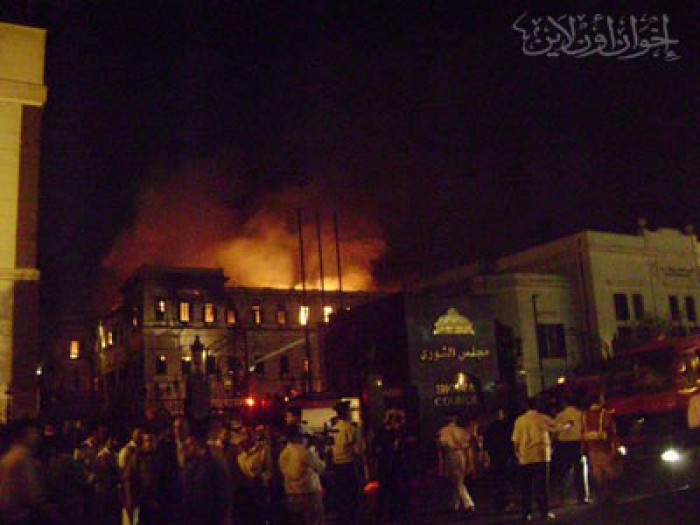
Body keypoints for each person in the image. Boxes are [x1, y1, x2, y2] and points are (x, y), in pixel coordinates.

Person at [511, 398, 557, 522]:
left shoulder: (519, 420)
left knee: (526, 487)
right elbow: (557, 427)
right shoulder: (543, 418)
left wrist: (517, 455)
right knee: (542, 486)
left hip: (525, 456)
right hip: (541, 455)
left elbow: (515, 440)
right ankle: (544, 511)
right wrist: (569, 425)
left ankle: (527, 513)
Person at [0, 419, 51, 525]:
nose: (36, 436)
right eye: (33, 433)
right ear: (24, 435)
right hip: (18, 516)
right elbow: (32, 494)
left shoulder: (10, 455)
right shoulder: (22, 457)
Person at [373, 408, 412, 524]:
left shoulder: (395, 432)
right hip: (389, 465)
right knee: (388, 491)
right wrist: (392, 447)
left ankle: (392, 514)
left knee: (393, 491)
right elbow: (379, 448)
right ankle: (388, 514)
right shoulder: (386, 433)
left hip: (392, 465)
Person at [278, 429, 326, 525]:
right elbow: (320, 467)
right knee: (314, 520)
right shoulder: (304, 453)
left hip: (291, 493)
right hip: (308, 493)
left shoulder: (283, 453)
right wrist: (320, 453)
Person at [329, 400, 365, 525]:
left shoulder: (333, 430)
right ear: (346, 412)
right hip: (349, 466)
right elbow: (358, 450)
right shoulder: (351, 429)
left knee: (340, 496)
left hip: (336, 467)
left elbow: (329, 450)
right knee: (352, 497)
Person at [581, 393, 618, 504]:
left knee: (597, 473)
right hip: (604, 447)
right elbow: (611, 431)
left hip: (591, 448)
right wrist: (614, 446)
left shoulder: (585, 415)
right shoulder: (605, 414)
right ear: (599, 401)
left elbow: (582, 432)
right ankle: (609, 496)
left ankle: (600, 496)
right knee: (608, 472)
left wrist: (584, 448)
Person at [437, 414, 475, 514]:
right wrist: (470, 462)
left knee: (457, 480)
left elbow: (440, 449)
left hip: (450, 455)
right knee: (459, 478)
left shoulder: (442, 431)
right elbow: (467, 448)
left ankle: (468, 503)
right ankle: (454, 504)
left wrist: (441, 464)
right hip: (461, 454)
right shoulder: (461, 431)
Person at [553, 395, 588, 504]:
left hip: (563, 444)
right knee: (579, 471)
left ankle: (562, 497)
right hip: (577, 443)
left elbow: (555, 431)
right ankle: (581, 497)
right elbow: (584, 430)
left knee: (563, 471)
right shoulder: (581, 414)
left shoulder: (560, 415)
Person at [483, 407, 514, 513]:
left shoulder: (490, 427)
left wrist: (486, 455)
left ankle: (498, 502)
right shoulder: (506, 426)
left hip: (495, 455)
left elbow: (486, 443)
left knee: (497, 480)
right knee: (505, 479)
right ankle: (505, 501)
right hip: (504, 455)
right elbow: (511, 441)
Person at [118, 427, 142, 525]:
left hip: (139, 490)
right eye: (137, 433)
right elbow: (122, 470)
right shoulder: (126, 450)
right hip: (130, 490)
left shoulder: (142, 449)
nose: (139, 436)